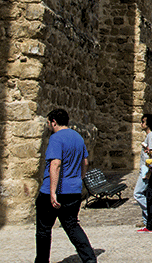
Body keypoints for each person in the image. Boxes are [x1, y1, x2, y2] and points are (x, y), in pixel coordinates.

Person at [35, 108, 96, 263]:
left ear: (54, 122)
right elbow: (85, 162)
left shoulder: (56, 138)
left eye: (48, 123)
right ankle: (89, 259)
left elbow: (55, 164)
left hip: (53, 192)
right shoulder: (78, 137)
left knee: (44, 229)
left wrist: (53, 192)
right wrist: (78, 179)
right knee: (72, 226)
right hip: (73, 191)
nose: (48, 126)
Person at [134, 113, 152, 228]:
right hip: (144, 168)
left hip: (146, 169)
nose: (141, 124)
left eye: (143, 122)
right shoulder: (148, 136)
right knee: (144, 193)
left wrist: (149, 170)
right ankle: (146, 219)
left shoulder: (151, 136)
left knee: (137, 193)